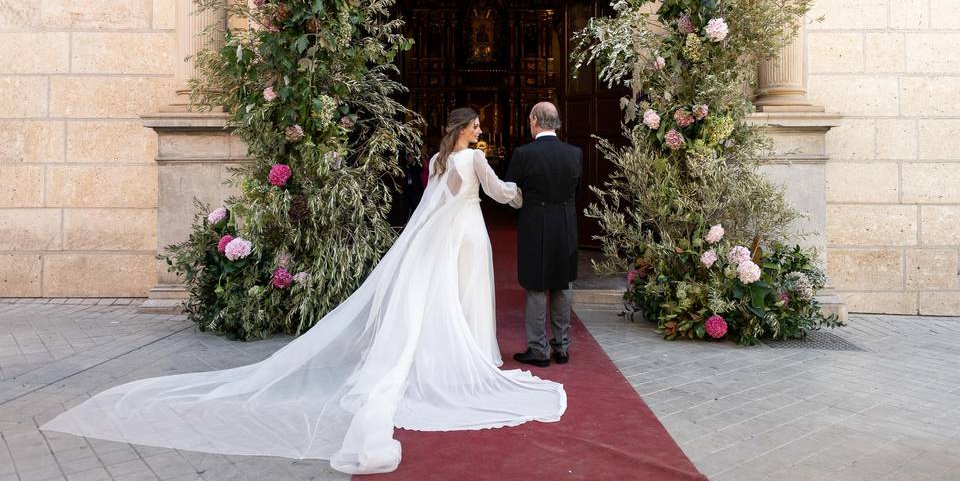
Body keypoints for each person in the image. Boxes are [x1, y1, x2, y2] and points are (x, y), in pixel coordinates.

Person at [42, 108, 566, 475]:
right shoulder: (472, 159)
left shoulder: (435, 162)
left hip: (438, 238)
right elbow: (499, 193)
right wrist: (531, 195)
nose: (480, 131)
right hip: (469, 233)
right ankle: (474, 353)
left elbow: (434, 202)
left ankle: (448, 352)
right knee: (467, 293)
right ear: (466, 130)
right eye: (476, 126)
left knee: (439, 298)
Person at [506, 102, 582, 368]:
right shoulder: (575, 153)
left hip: (535, 223)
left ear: (535, 120)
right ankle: (562, 347)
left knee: (536, 286)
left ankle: (538, 349)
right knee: (562, 284)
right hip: (565, 224)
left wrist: (522, 209)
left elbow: (512, 193)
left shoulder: (524, 153)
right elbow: (576, 190)